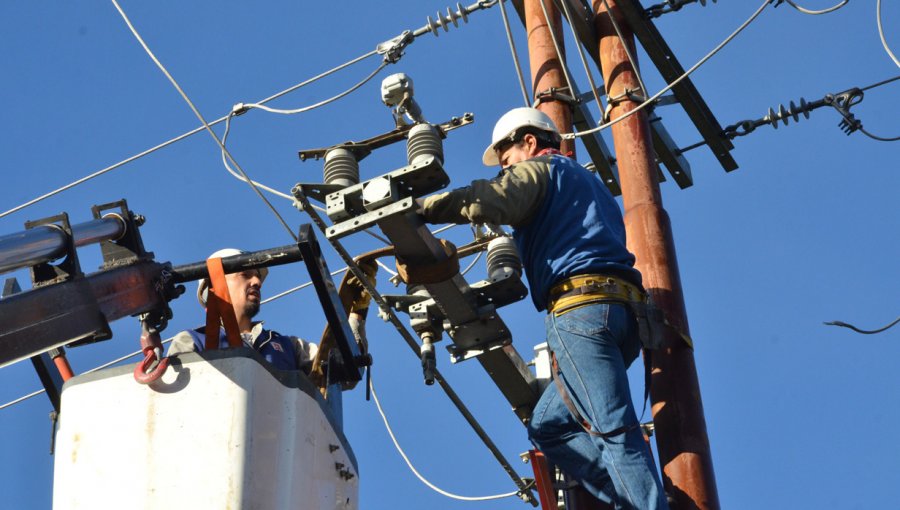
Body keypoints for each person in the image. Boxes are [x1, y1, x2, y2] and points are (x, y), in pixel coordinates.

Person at [419, 108, 668, 509]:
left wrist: (422, 210)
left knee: (612, 431)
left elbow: (492, 200)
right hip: (621, 317)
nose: (506, 171)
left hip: (580, 313)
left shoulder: (542, 170)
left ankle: (645, 502)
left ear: (529, 143)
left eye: (506, 161)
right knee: (549, 426)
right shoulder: (586, 183)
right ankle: (637, 496)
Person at [168, 248, 317, 372]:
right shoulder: (192, 341)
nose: (257, 282)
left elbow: (328, 362)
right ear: (215, 287)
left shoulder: (291, 347)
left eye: (258, 276)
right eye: (245, 275)